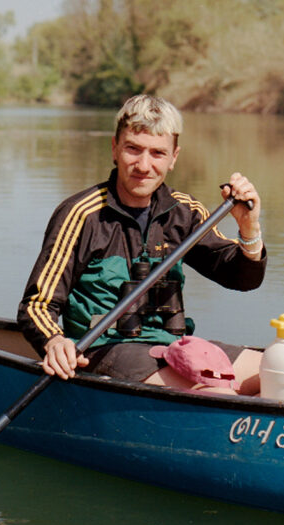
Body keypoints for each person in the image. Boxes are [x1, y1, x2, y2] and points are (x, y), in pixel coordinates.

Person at [17, 94, 266, 394]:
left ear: (174, 157)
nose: (143, 165)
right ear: (114, 149)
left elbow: (242, 278)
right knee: (218, 395)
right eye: (133, 149)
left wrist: (249, 226)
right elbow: (37, 305)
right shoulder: (80, 214)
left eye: (157, 153)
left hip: (175, 347)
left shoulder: (184, 213)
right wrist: (55, 342)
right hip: (103, 351)